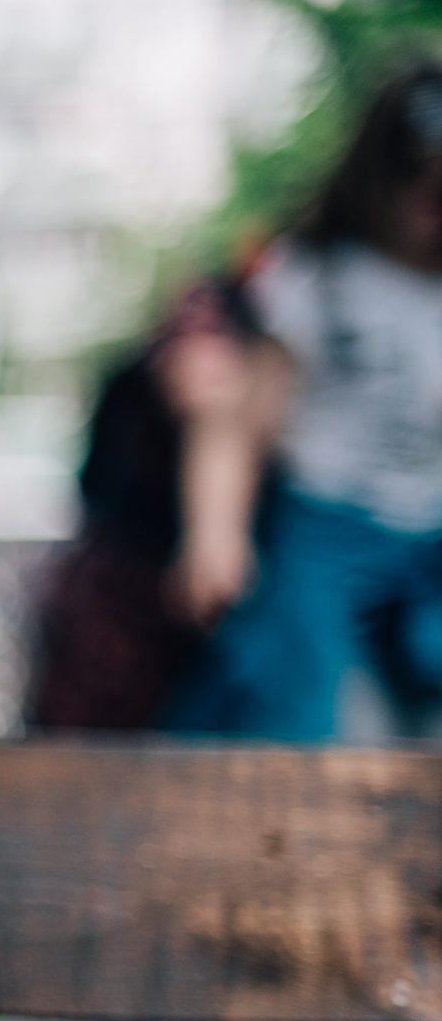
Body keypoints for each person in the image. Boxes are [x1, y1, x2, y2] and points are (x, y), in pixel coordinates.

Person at [168, 62, 442, 739]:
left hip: (431, 533)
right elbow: (235, 421)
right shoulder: (318, 276)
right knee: (308, 706)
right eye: (418, 179)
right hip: (326, 526)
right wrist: (215, 533)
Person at [27, 277, 273, 731]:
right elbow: (97, 493)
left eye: (214, 335)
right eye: (188, 336)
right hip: (126, 603)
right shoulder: (128, 398)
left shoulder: (259, 420)